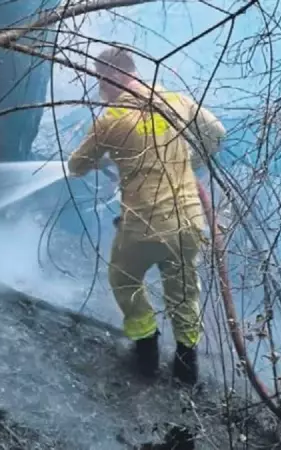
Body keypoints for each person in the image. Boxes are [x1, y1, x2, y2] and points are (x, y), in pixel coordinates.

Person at [66, 47, 226, 385]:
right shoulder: (175, 101)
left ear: (113, 76)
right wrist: (189, 164)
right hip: (189, 220)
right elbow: (216, 133)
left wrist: (104, 158)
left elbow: (76, 166)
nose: (100, 89)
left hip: (145, 224)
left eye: (101, 80)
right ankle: (186, 362)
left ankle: (146, 346)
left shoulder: (111, 119)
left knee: (123, 278)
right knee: (183, 288)